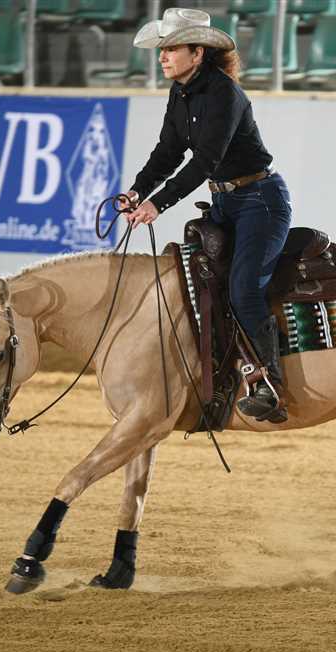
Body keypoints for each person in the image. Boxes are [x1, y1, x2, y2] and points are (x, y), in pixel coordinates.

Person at [124, 8, 291, 423]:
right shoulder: (180, 93)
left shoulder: (225, 94)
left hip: (260, 201)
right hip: (226, 203)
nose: (162, 57)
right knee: (198, 283)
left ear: (197, 53)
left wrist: (158, 204)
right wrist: (137, 190)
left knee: (243, 288)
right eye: (162, 49)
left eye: (172, 49)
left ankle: (270, 386)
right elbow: (168, 152)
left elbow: (204, 161)